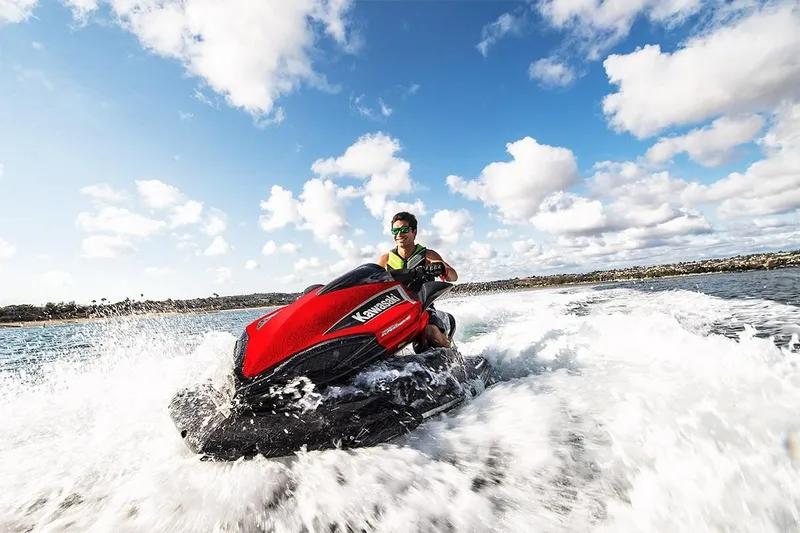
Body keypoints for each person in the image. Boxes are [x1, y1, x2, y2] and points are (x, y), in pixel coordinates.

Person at [377, 211, 458, 350]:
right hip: (395, 310)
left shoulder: (427, 255)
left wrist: (442, 267)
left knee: (431, 333)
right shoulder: (386, 259)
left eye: (404, 230)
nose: (399, 234)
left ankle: (453, 355)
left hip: (423, 307)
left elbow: (453, 277)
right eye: (395, 230)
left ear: (414, 232)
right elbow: (373, 280)